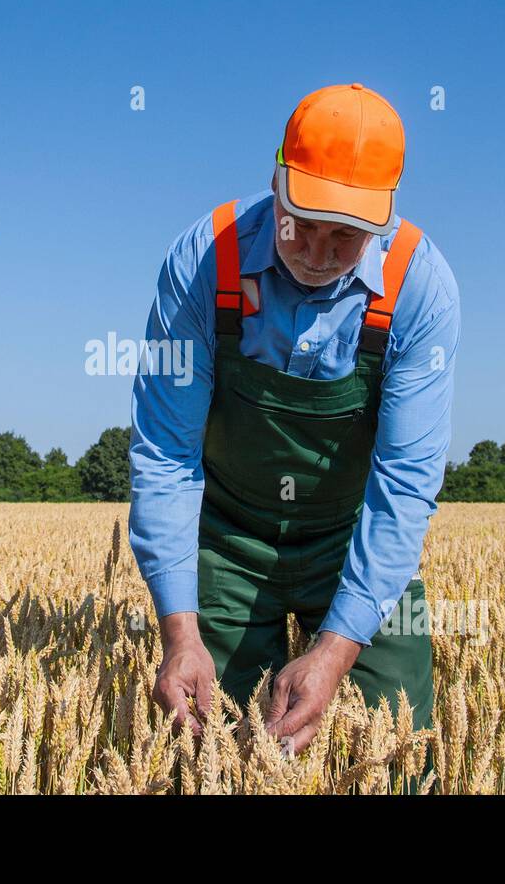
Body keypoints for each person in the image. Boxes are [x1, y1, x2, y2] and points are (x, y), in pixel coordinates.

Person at [129, 83, 460, 769]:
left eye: (344, 236)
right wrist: (179, 633)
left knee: (401, 754)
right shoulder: (203, 261)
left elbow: (404, 482)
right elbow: (165, 451)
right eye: (299, 221)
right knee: (205, 749)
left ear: (384, 219)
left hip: (353, 538)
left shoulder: (421, 286)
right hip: (226, 536)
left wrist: (337, 651)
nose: (314, 251)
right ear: (275, 182)